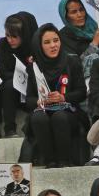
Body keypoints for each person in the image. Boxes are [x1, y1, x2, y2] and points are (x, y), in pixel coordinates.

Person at [26, 23, 89, 167]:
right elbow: (28, 100)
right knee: (38, 118)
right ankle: (50, 162)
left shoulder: (71, 61)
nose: (53, 45)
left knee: (59, 116)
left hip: (68, 111)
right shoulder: (34, 67)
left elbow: (81, 92)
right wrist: (39, 101)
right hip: (43, 110)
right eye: (47, 42)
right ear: (39, 46)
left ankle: (64, 161)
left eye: (56, 40)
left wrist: (64, 98)